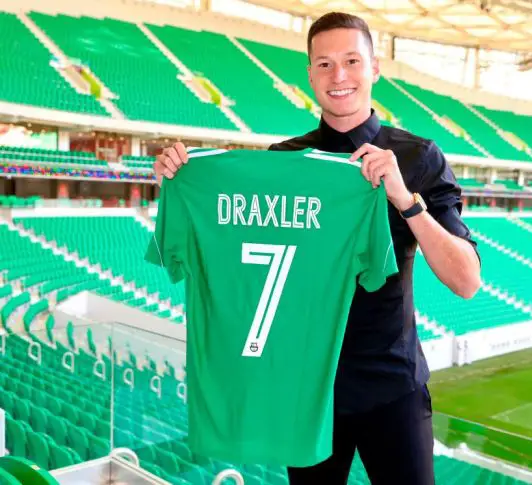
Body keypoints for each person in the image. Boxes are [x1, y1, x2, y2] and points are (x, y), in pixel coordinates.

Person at [153, 12, 481, 485]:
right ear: (310, 75)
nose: (338, 75)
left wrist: (405, 200)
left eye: (352, 61)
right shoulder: (283, 162)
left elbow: (466, 280)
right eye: (324, 64)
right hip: (306, 392)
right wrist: (182, 177)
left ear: (375, 68)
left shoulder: (416, 156)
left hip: (392, 386)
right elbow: (227, 249)